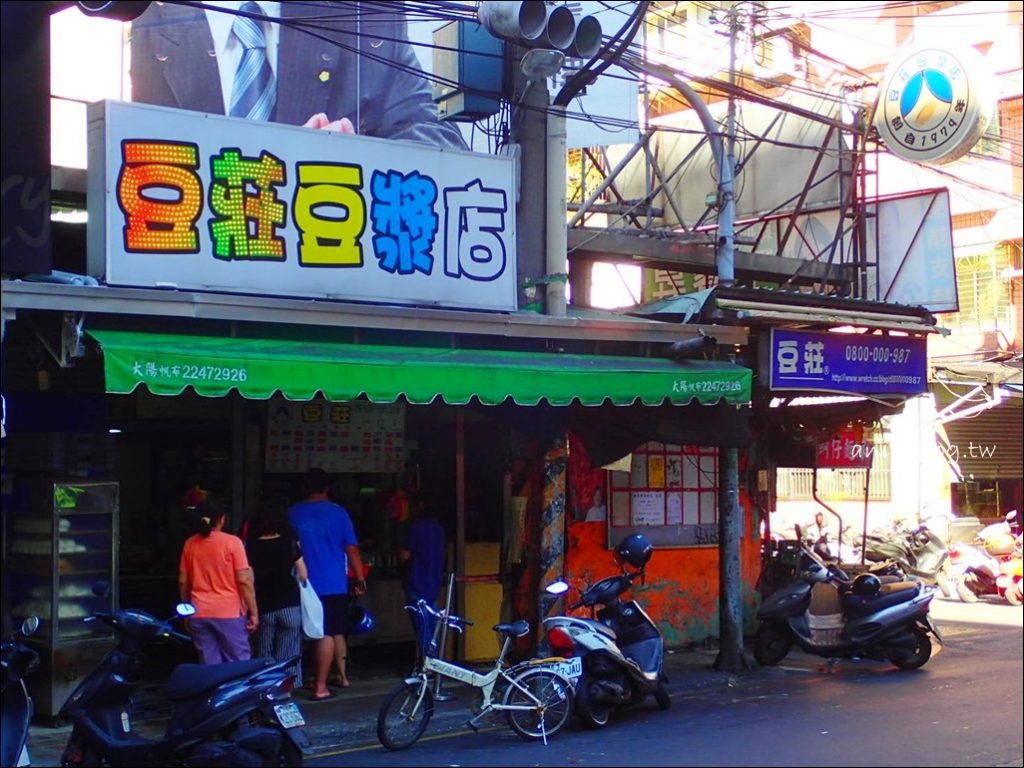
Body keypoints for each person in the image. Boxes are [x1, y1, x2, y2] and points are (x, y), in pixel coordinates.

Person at [129, 1, 468, 150]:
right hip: (189, 282)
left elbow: (442, 143)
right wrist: (286, 163)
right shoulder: (145, 15)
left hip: (327, 273)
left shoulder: (364, 14)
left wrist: (356, 162)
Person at [288, 468, 366, 699]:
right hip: (333, 583)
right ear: (327, 488)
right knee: (328, 633)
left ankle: (301, 680)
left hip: (301, 584)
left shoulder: (293, 513)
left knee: (306, 633)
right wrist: (360, 576)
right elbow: (351, 549)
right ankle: (321, 685)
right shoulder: (338, 513)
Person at [178, 500, 258, 664]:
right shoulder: (233, 543)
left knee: (209, 665)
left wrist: (187, 610)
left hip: (199, 612)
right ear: (222, 519)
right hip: (230, 613)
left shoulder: (190, 543)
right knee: (238, 665)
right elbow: (244, 581)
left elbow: (182, 581)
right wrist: (254, 612)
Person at [247, 501, 307, 683]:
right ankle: (288, 685)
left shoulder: (251, 547)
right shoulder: (289, 543)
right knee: (290, 650)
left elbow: (248, 579)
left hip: (264, 605)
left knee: (264, 650)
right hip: (289, 603)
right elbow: (303, 574)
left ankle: (265, 685)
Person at [398, 499, 447, 609]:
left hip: (417, 585)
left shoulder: (415, 528)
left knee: (422, 623)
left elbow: (404, 555)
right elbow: (443, 554)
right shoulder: (439, 529)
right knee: (431, 623)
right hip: (435, 585)